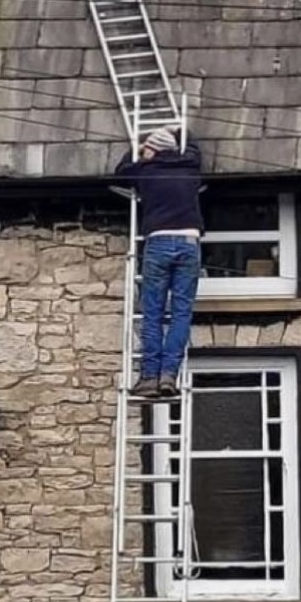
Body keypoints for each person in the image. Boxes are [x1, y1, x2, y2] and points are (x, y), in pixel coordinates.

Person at [115, 128, 203, 399]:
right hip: (190, 243)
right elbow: (194, 150)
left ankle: (150, 377)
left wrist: (139, 149)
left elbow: (120, 171)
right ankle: (169, 375)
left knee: (152, 312)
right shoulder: (190, 169)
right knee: (181, 314)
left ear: (153, 149)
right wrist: (180, 131)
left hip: (159, 242)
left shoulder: (146, 171)